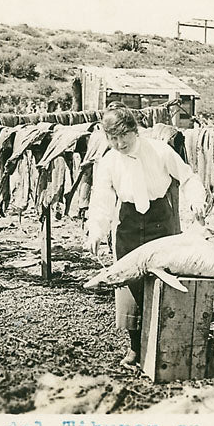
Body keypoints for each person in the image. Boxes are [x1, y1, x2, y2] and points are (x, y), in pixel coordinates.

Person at [85, 103, 206, 367]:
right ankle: (135, 347)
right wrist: (95, 231)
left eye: (123, 136)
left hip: (159, 220)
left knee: (164, 279)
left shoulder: (159, 151)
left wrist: (196, 200)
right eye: (113, 138)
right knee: (129, 283)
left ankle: (165, 343)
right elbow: (102, 200)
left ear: (135, 131)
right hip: (128, 224)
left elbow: (187, 177)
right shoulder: (108, 162)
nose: (119, 144)